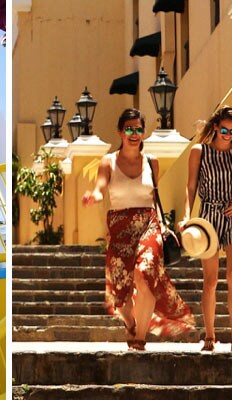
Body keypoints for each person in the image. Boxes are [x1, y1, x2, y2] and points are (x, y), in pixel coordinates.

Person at [82, 108, 195, 351]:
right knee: (120, 292)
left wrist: (162, 224)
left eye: (139, 129)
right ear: (120, 132)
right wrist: (94, 196)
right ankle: (131, 323)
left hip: (148, 223)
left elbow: (154, 196)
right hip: (120, 227)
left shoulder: (151, 161)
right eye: (129, 129)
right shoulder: (108, 161)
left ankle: (140, 338)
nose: (134, 134)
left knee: (145, 274)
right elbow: (101, 187)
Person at [181, 105, 232, 352]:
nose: (228, 134)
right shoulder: (199, 152)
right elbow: (191, 187)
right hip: (208, 218)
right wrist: (186, 216)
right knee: (210, 280)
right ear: (215, 127)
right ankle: (210, 337)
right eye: (224, 129)